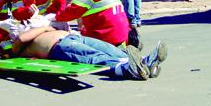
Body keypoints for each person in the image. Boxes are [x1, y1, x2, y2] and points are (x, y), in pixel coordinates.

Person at [11, 25, 167, 80]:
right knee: (95, 58)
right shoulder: (18, 47)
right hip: (59, 47)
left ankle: (146, 62)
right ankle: (127, 70)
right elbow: (21, 38)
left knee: (111, 50)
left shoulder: (34, 33)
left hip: (74, 37)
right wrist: (44, 28)